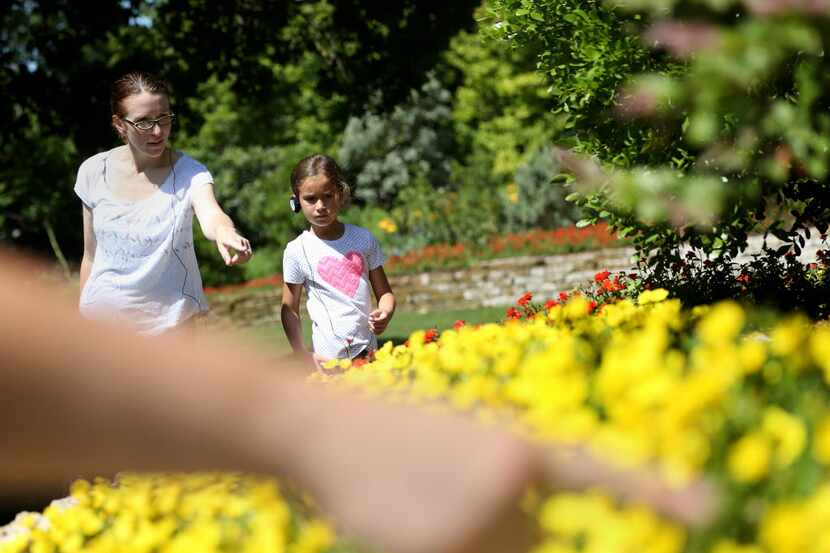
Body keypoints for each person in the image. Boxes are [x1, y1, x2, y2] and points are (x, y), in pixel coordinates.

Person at [0, 249, 718, 553]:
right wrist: (308, 419)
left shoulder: (360, 240)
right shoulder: (294, 254)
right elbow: (289, 303)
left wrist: (310, 426)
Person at [77, 71, 252, 335]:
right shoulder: (93, 172)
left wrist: (225, 232)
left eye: (163, 118)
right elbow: (90, 257)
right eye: (144, 122)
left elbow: (212, 215)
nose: (158, 131)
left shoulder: (190, 173)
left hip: (170, 329)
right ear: (119, 124)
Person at [281, 154, 395, 367]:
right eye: (310, 199)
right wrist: (301, 353)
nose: (320, 206)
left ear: (340, 194)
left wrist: (385, 312)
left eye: (327, 196)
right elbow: (289, 309)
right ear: (296, 200)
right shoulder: (296, 251)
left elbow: (385, 294)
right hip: (326, 361)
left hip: (369, 355)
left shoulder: (363, 239)